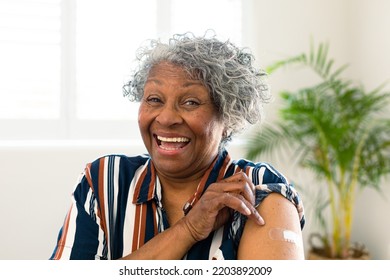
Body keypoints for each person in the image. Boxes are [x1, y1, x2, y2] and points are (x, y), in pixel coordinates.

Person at [50, 32, 305, 260]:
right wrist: (188, 229)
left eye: (191, 102)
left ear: (228, 117)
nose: (166, 118)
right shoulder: (105, 181)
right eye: (154, 99)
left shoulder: (257, 189)